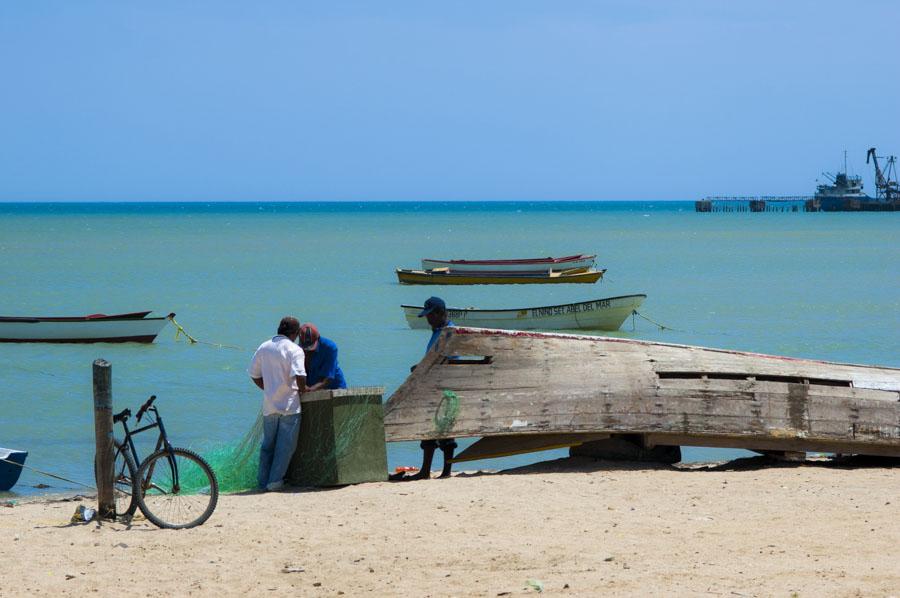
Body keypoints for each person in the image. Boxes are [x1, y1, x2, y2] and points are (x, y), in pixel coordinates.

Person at [249, 316, 307, 491]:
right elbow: (300, 375)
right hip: (290, 406)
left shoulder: (264, 347)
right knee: (285, 447)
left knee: (268, 446)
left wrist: (268, 389)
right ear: (295, 333)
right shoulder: (295, 350)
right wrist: (303, 390)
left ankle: (262, 482)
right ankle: (274, 482)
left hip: (269, 405)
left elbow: (254, 375)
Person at [406, 296, 457, 480]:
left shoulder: (450, 332)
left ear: (440, 313)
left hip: (446, 386)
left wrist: (424, 369)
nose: (428, 319)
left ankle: (446, 471)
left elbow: (451, 360)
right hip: (432, 386)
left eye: (430, 315)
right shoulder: (437, 331)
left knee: (446, 429)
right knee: (428, 427)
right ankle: (425, 470)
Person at [297, 322, 347, 391]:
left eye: (310, 348)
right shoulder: (296, 350)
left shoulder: (330, 347)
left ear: (318, 338)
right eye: (305, 349)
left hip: (334, 387)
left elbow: (328, 379)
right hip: (310, 387)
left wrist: (310, 390)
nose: (308, 351)